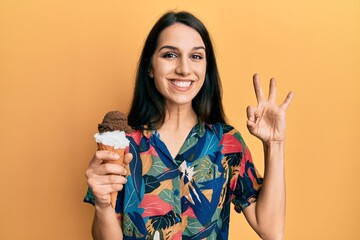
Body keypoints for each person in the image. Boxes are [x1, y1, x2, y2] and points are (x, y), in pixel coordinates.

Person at [84, 11, 294, 240]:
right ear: (150, 67)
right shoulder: (124, 146)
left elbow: (272, 231)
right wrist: (103, 205)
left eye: (196, 57)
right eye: (170, 55)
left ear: (206, 68)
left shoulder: (228, 144)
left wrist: (275, 143)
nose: (184, 69)